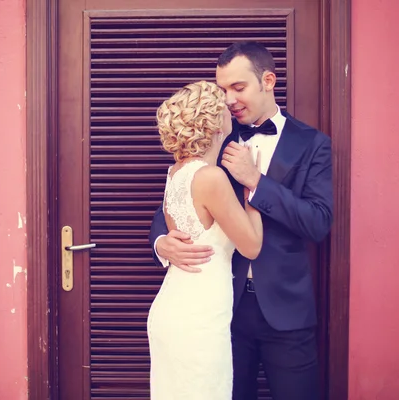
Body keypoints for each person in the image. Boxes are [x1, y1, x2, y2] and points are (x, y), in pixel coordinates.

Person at [148, 42, 333, 400]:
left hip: (287, 313)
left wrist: (256, 182)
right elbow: (172, 202)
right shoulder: (213, 136)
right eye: (222, 90)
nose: (229, 100)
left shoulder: (312, 144)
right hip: (221, 311)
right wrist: (162, 242)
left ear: (268, 80)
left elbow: (319, 221)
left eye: (238, 87)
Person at [147, 80, 264, 400]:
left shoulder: (176, 172)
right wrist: (252, 187)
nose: (231, 109)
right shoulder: (210, 178)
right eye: (223, 107)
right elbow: (251, 245)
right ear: (214, 122)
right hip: (198, 317)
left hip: (175, 306)